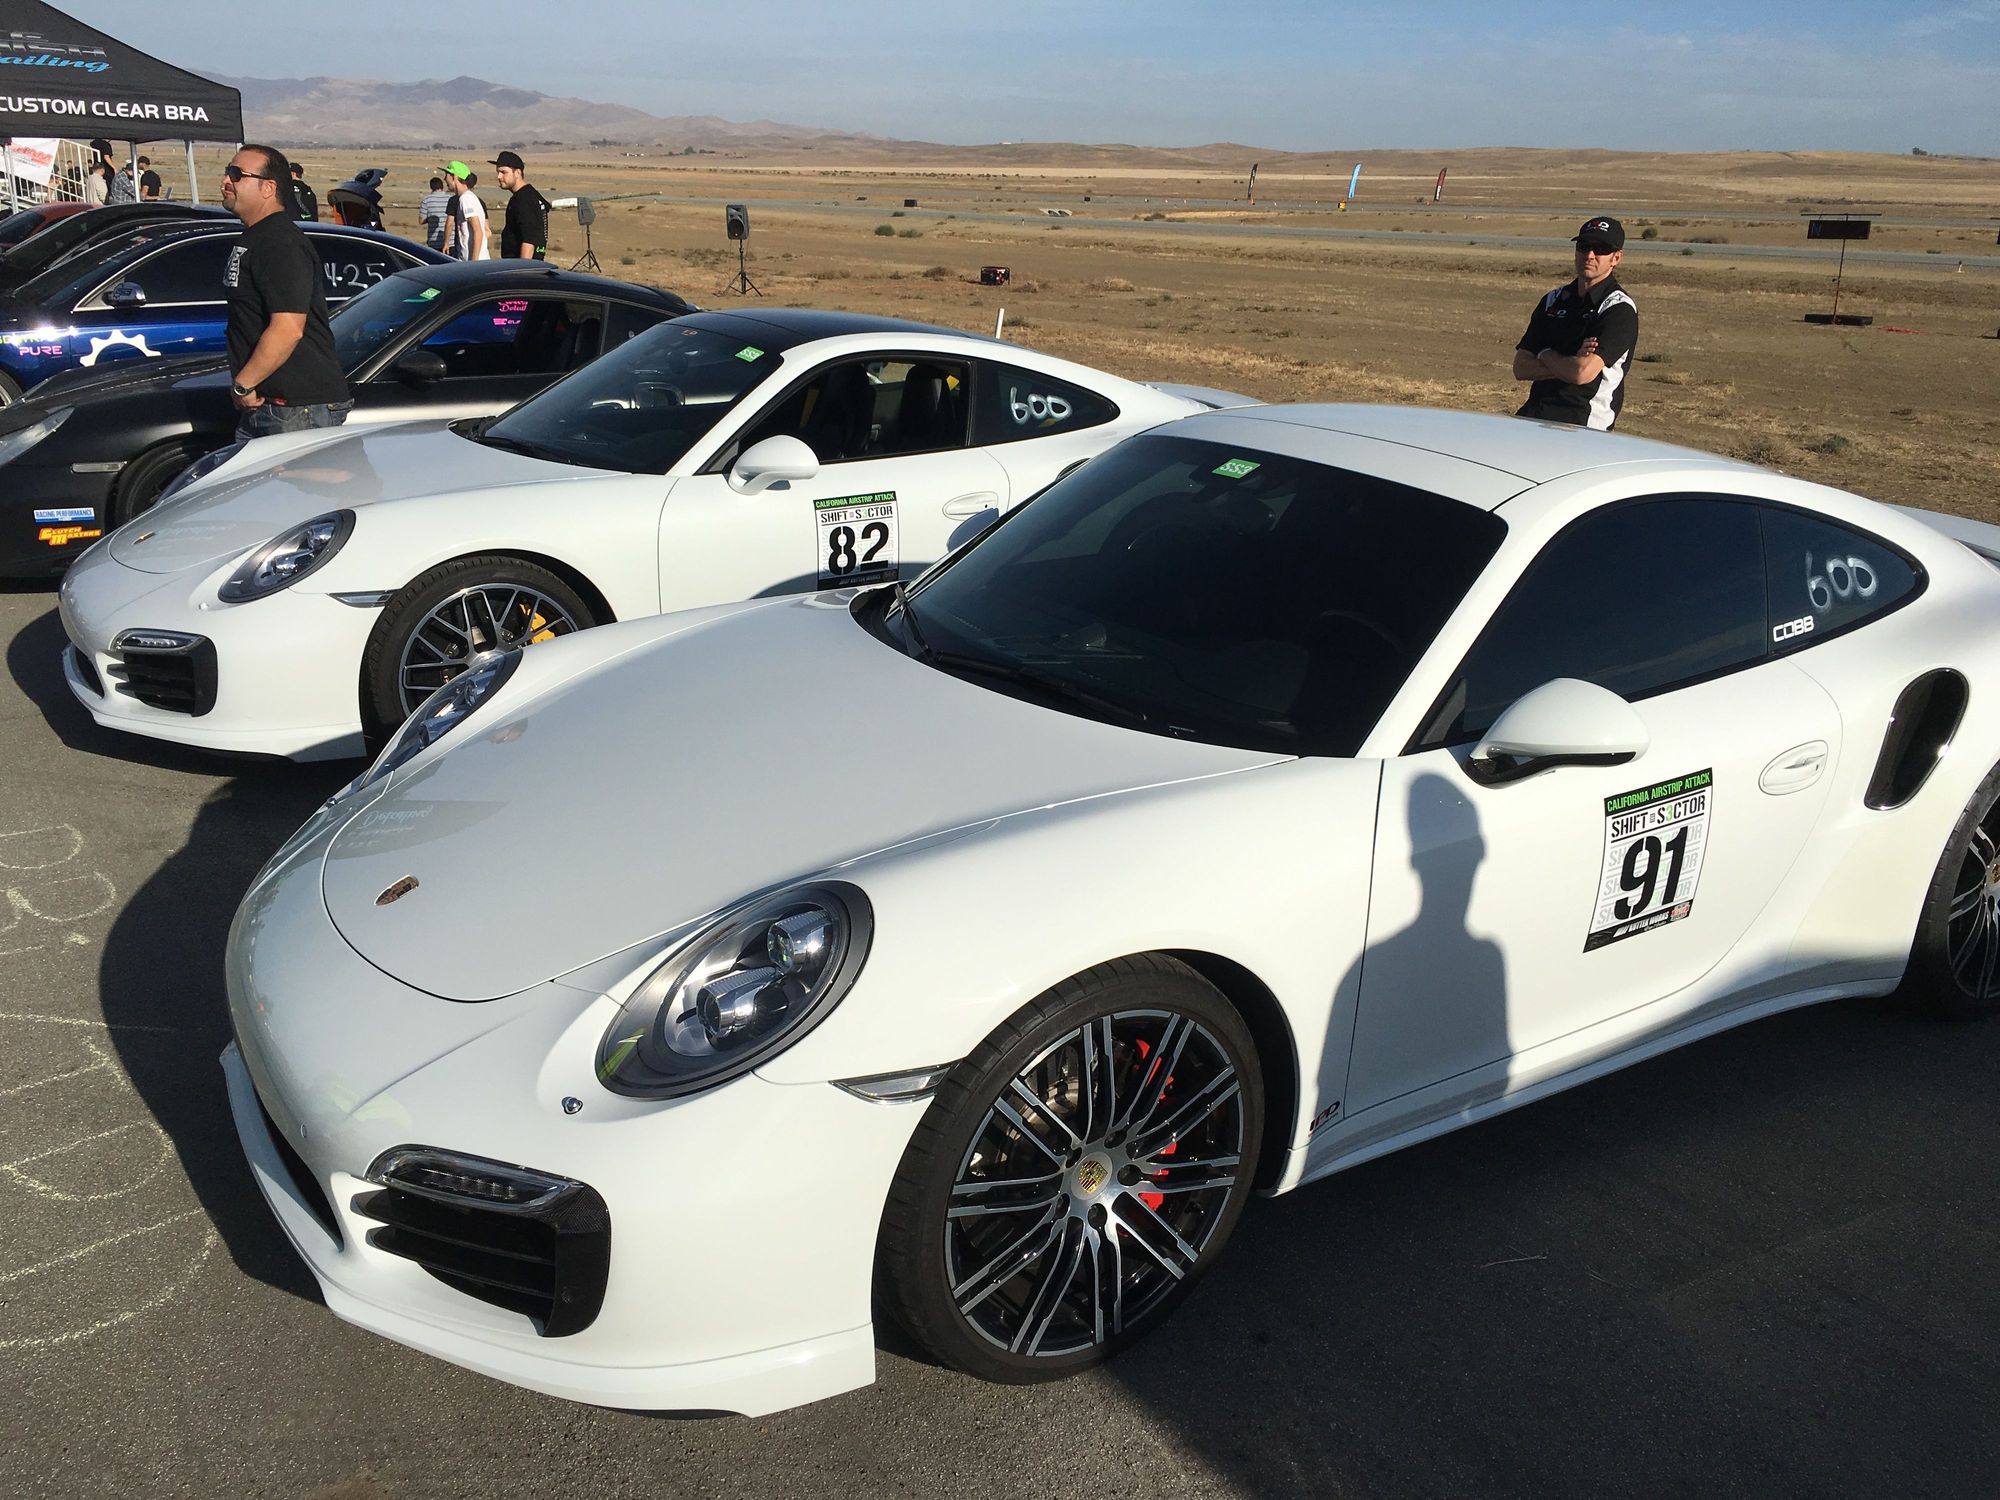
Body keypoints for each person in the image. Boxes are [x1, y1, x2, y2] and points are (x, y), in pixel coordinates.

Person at [220, 144, 351, 441]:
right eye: (227, 172)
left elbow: (289, 328)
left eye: (236, 174)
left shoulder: (281, 243)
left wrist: (243, 384)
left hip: (295, 409)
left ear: (268, 188)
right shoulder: (258, 237)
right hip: (271, 406)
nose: (226, 181)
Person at [1512, 216, 1639, 430]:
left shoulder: (1619, 309)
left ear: (1616, 257)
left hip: (1583, 424)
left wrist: (1543, 352)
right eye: (1584, 246)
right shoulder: (1553, 300)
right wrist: (1569, 361)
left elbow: (1581, 373)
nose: (1589, 255)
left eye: (1601, 249)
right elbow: (1521, 368)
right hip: (1534, 415)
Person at [490, 150, 551, 260]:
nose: (499, 176)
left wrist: (523, 268)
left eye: (503, 172)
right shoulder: (527, 196)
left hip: (522, 266)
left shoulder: (525, 200)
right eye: (498, 172)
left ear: (518, 173)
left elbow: (529, 240)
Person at [443, 160, 490, 260]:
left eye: (446, 175)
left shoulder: (466, 199)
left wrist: (474, 262)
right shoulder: (467, 197)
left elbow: (477, 230)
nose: (444, 179)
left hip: (473, 262)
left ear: (454, 177)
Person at [419, 175, 451, 253]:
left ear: (431, 187)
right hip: (450, 241)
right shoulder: (450, 198)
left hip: (434, 242)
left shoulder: (426, 200)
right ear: (442, 186)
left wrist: (431, 218)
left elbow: (421, 221)